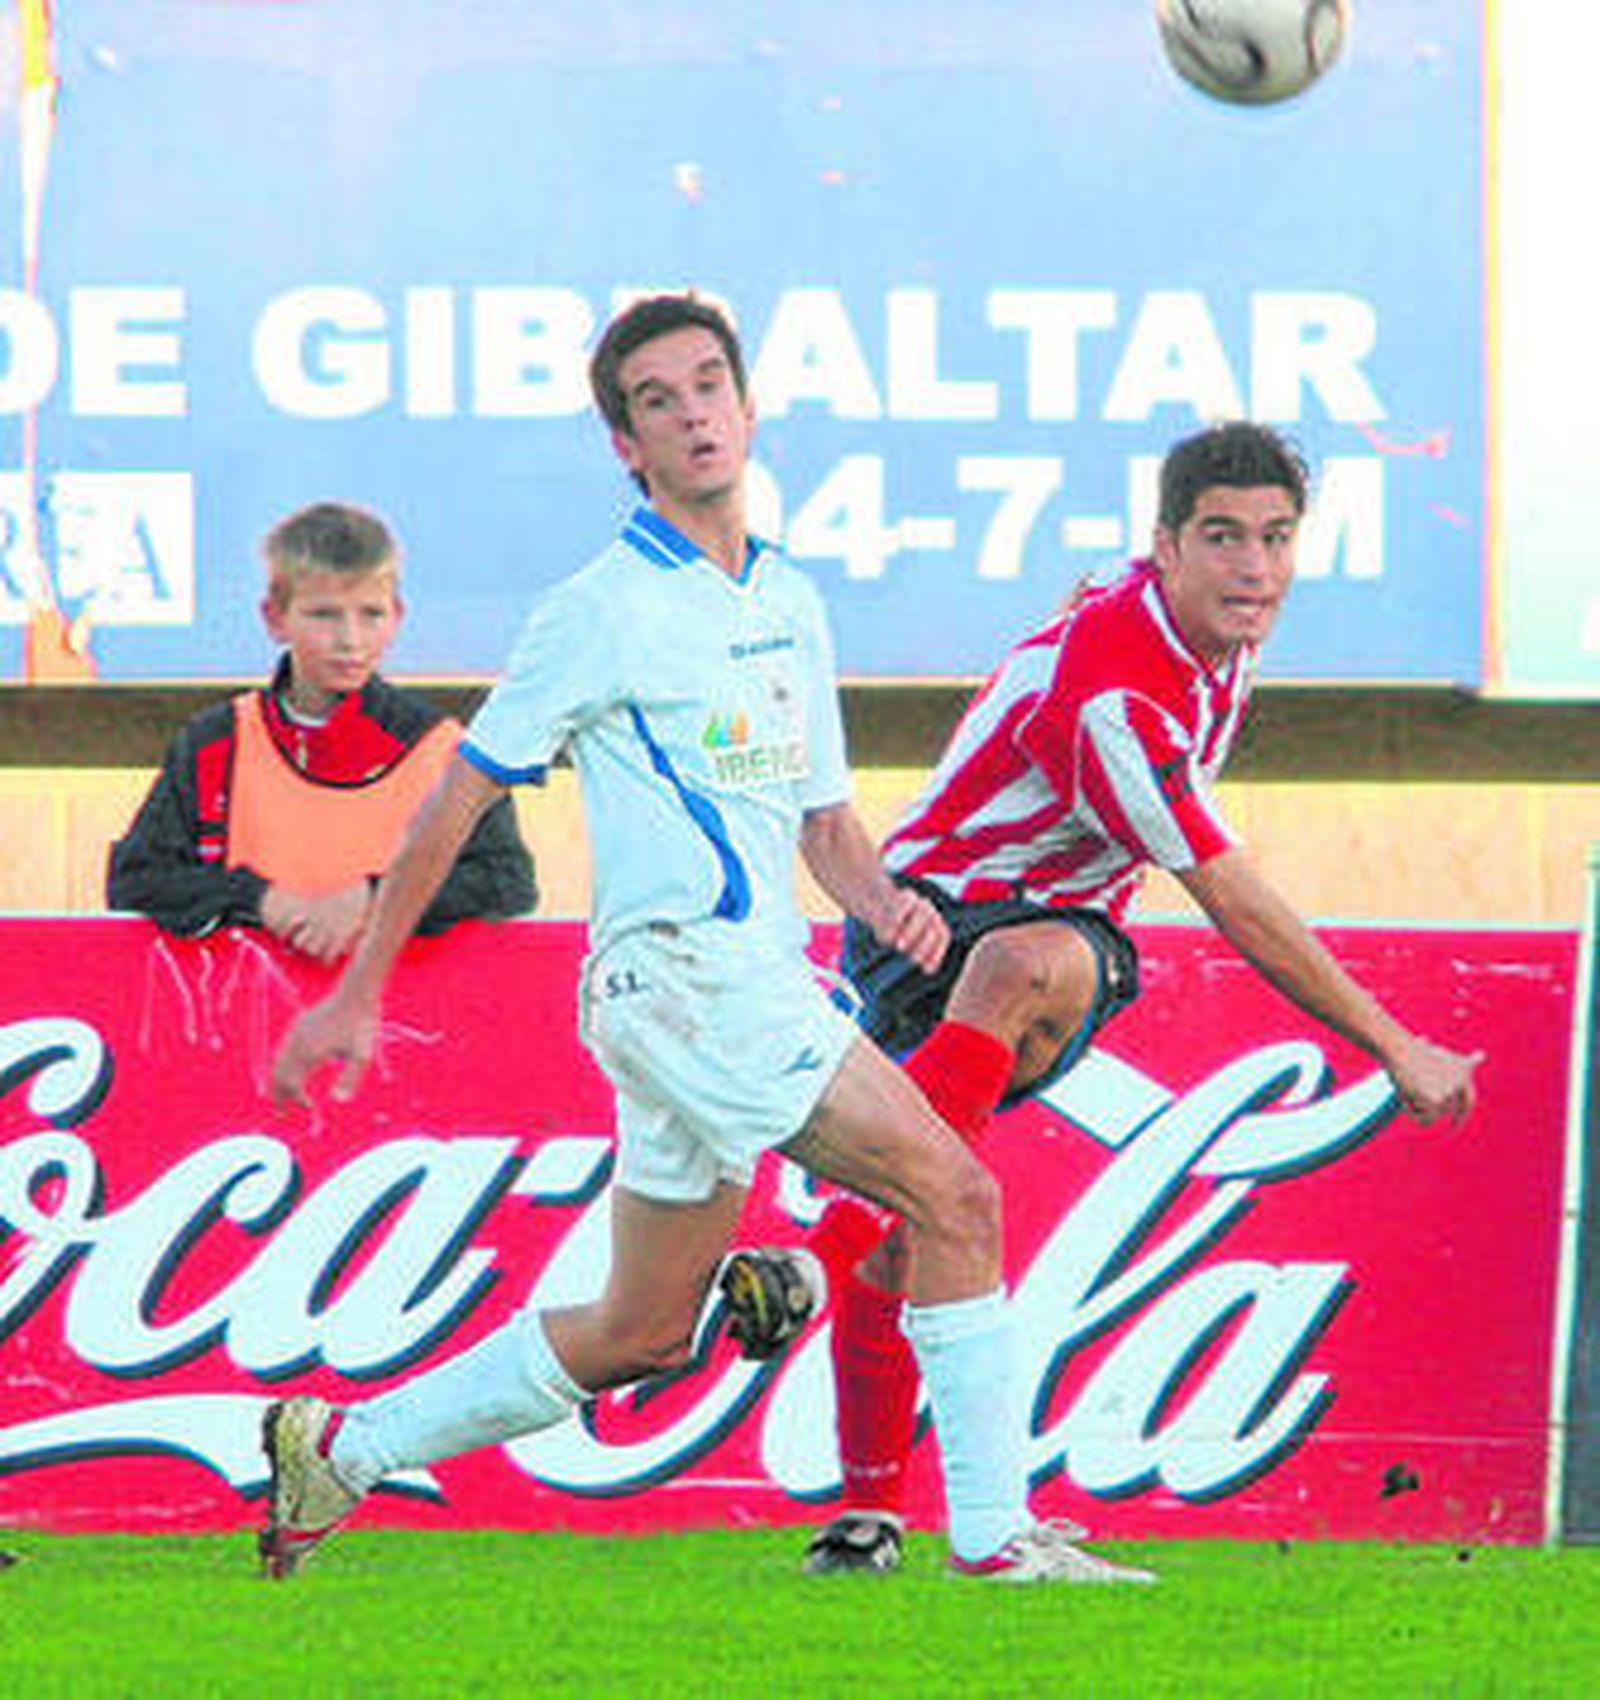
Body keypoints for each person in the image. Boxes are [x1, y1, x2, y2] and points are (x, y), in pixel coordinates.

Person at [260, 292, 1154, 1587]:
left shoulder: (787, 598)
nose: (692, 415)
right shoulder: (603, 606)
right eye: (658, 402)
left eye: (707, 387)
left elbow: (827, 828)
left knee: (640, 1327)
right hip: (687, 974)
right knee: (954, 1193)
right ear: (627, 445)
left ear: (746, 406)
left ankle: (340, 1452)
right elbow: (465, 787)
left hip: (732, 982)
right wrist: (359, 987)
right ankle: (997, 1540)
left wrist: (896, 909)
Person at [798, 420, 1483, 1577]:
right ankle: (870, 1508)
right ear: (1165, 546)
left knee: (997, 1013)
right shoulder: (1118, 694)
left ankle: (831, 1270)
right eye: (1222, 538)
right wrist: (1393, 1042)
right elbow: (1226, 892)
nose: (1253, 566)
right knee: (927, 1205)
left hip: (1015, 938)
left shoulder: (1195, 625)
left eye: (1274, 538)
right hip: (920, 930)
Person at [107, 502, 536, 959]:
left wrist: (373, 899)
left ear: (397, 617)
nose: (350, 639)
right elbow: (138, 878)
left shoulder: (443, 749)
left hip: (403, 1014)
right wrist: (259, 900)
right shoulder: (216, 741)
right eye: (325, 615)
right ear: (275, 618)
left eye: (370, 614)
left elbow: (506, 882)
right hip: (243, 1011)